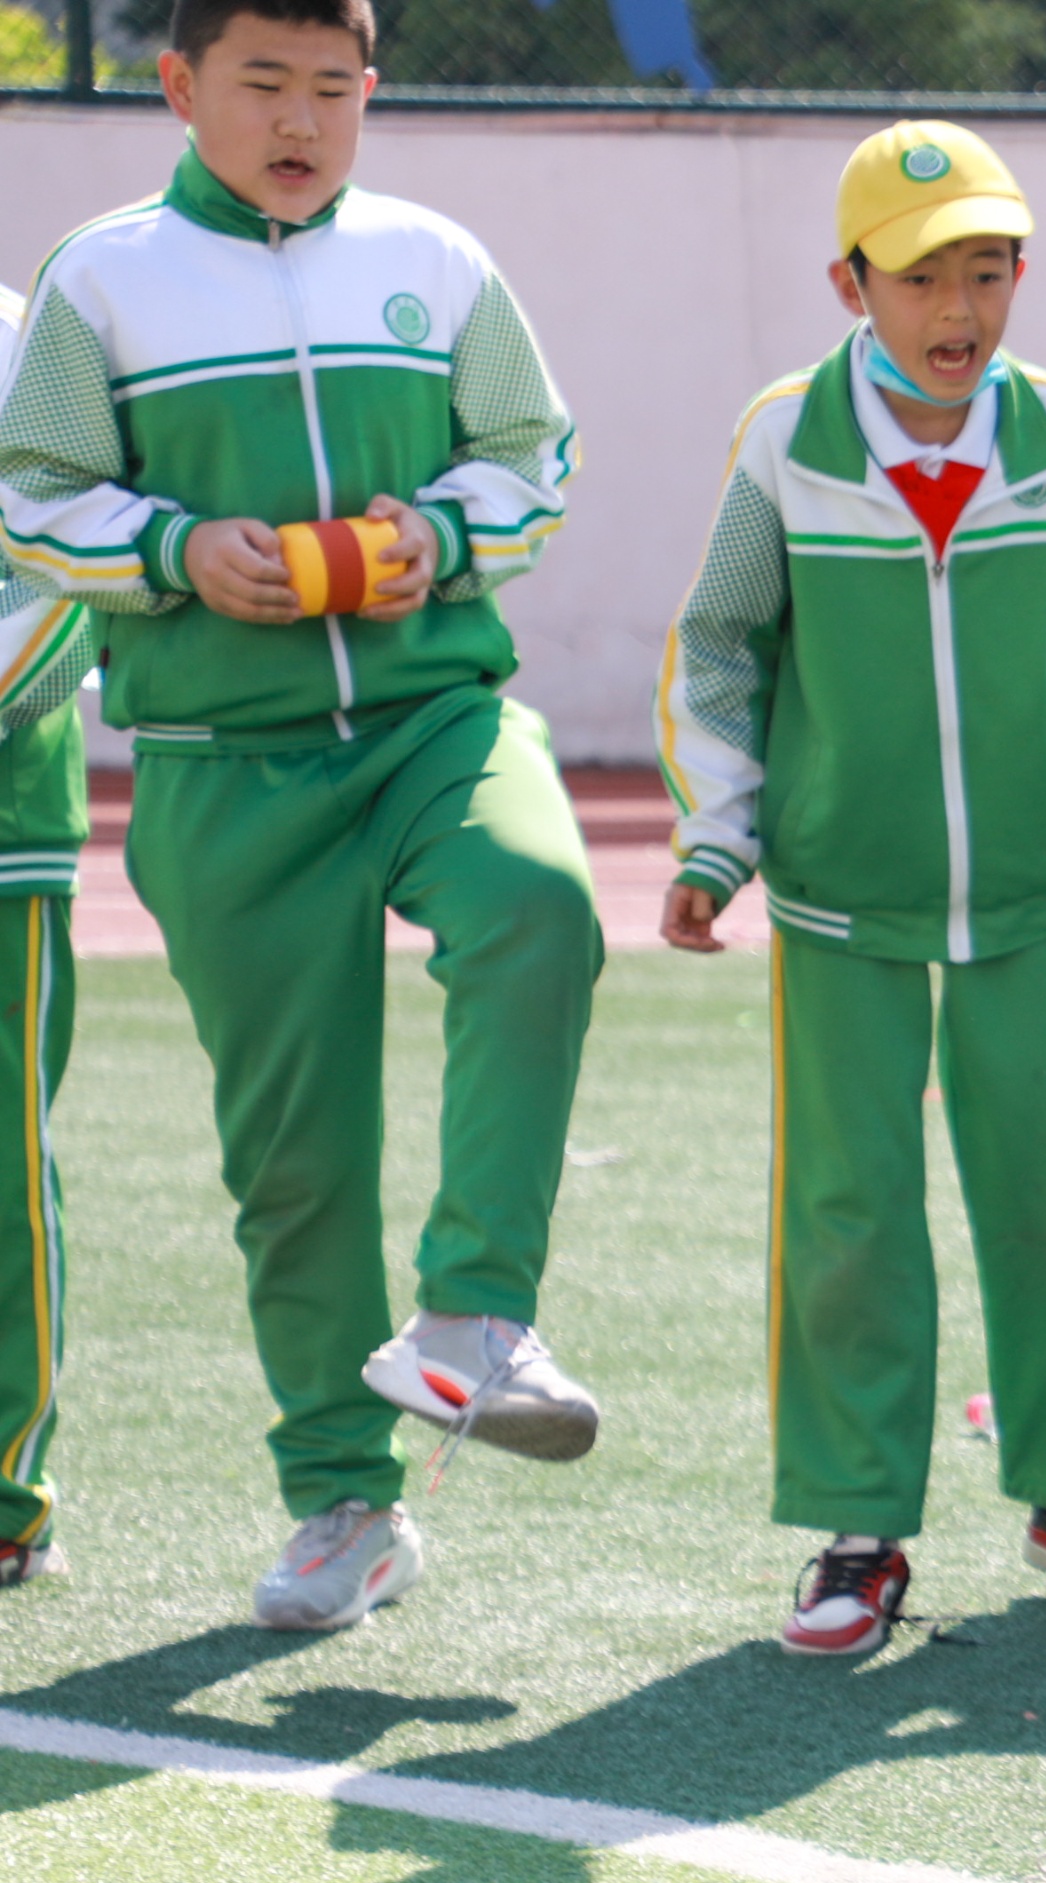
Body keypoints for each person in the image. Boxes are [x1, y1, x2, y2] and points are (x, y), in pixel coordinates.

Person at [0, 0, 606, 1632]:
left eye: (332, 88)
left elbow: (531, 457)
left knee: (542, 901)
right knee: (298, 1163)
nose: (300, 119)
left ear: (370, 91)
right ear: (181, 85)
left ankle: (476, 1319)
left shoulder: (441, 260)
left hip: (434, 715)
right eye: (262, 84)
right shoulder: (99, 279)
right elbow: (33, 493)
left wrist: (444, 534)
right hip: (218, 757)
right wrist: (177, 550)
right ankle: (349, 1506)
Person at [655, 122, 1046, 1651]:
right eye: (920, 278)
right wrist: (722, 834)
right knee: (849, 1214)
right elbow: (719, 647)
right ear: (851, 283)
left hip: (1044, 896)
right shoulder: (785, 441)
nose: (959, 308)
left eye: (989, 269)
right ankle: (856, 1528)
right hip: (842, 901)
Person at [0, 286, 94, 1591]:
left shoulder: (26, 339)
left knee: (1, 1162)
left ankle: (6, 1487)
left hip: (3, 821)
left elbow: (78, 572)